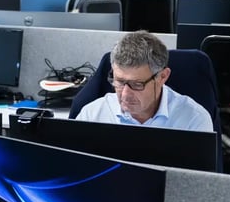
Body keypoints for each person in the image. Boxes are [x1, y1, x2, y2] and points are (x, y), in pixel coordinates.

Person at [76, 31, 213, 132]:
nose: (125, 95)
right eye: (119, 82)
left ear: (162, 77)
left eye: (137, 84)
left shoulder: (194, 120)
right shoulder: (92, 115)